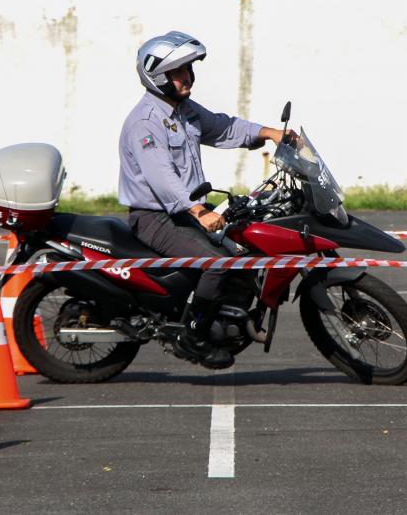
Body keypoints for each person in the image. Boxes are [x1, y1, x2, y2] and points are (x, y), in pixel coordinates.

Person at [118, 30, 293, 370]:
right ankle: (193, 336)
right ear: (158, 76)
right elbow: (162, 177)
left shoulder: (182, 110)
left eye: (188, 69)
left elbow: (223, 127)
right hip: (157, 217)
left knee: (242, 249)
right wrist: (198, 210)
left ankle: (226, 319)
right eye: (178, 72)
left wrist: (271, 134)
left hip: (186, 210)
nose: (187, 77)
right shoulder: (146, 122)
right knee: (214, 263)